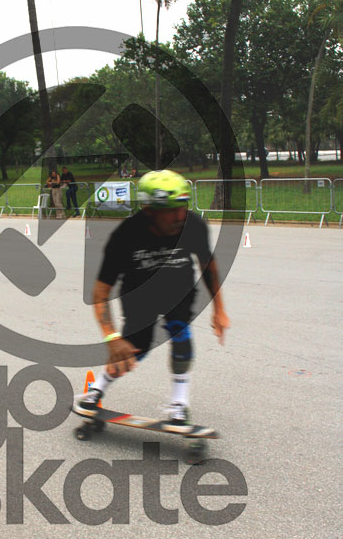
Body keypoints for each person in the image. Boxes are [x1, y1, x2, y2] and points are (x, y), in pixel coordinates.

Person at [76, 169, 230, 426]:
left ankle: (179, 404)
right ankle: (96, 390)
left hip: (178, 290)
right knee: (134, 347)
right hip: (139, 295)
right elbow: (100, 293)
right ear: (149, 211)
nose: (180, 216)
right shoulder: (124, 235)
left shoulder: (193, 225)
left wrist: (220, 309)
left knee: (181, 335)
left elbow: (208, 266)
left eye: (183, 206)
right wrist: (112, 338)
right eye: (171, 210)